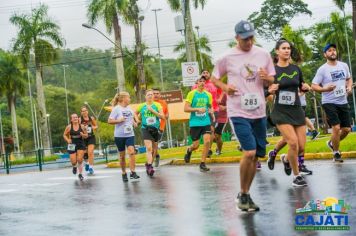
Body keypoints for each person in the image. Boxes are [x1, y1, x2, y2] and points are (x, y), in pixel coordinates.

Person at [211, 20, 275, 211]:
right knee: (249, 152)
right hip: (238, 110)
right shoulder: (226, 57)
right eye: (245, 38)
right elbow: (214, 78)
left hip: (259, 111)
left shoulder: (263, 54)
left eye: (251, 38)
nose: (249, 42)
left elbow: (272, 79)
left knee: (256, 156)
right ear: (236, 37)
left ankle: (245, 194)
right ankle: (242, 193)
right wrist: (225, 87)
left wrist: (267, 79)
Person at [268, 38, 310, 187]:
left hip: (296, 110)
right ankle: (296, 176)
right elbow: (263, 90)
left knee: (301, 147)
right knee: (293, 143)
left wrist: (305, 87)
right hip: (281, 111)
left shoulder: (295, 69)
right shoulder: (272, 71)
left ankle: (285, 159)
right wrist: (269, 90)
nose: (287, 50)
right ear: (277, 51)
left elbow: (301, 86)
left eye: (288, 48)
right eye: (284, 48)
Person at [311, 43, 352, 162]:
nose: (332, 52)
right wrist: (325, 89)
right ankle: (336, 152)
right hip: (329, 101)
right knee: (336, 127)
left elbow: (348, 79)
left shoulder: (344, 65)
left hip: (342, 101)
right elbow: (314, 86)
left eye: (334, 50)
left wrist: (349, 88)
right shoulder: (322, 69)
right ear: (325, 54)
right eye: (329, 51)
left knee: (346, 130)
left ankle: (331, 143)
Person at [184, 76, 214, 172]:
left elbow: (210, 107)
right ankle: (189, 150)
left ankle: (202, 163)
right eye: (200, 81)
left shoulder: (208, 95)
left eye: (203, 81)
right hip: (195, 123)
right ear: (196, 83)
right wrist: (197, 109)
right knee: (196, 145)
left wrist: (211, 113)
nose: (202, 82)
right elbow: (186, 109)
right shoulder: (191, 94)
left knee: (207, 142)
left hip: (205, 121)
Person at [108, 92, 140, 182]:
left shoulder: (129, 109)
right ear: (123, 99)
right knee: (122, 156)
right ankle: (123, 173)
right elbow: (109, 121)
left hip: (130, 134)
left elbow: (131, 118)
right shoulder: (116, 109)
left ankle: (133, 172)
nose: (130, 99)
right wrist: (119, 120)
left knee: (132, 152)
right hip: (119, 135)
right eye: (128, 97)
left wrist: (134, 123)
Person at [136, 89, 165, 177]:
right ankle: (150, 167)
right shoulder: (141, 106)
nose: (150, 96)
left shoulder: (157, 105)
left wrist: (152, 111)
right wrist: (137, 120)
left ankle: (148, 164)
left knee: (154, 149)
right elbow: (134, 113)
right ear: (145, 96)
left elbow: (163, 116)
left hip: (155, 128)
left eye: (151, 94)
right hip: (145, 128)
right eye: (148, 94)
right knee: (149, 148)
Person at [192, 70, 219, 157]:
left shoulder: (213, 84)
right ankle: (204, 148)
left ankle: (209, 149)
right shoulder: (195, 87)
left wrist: (219, 101)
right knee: (198, 140)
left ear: (209, 74)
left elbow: (220, 92)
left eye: (207, 73)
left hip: (213, 110)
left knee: (211, 130)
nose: (205, 74)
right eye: (203, 73)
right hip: (199, 114)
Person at [63, 113, 88, 181]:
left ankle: (80, 174)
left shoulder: (82, 126)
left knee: (80, 160)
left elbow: (86, 135)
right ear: (71, 119)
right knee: (73, 161)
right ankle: (74, 166)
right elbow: (64, 135)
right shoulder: (69, 127)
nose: (75, 119)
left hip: (80, 143)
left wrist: (83, 135)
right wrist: (68, 140)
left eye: (76, 117)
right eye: (74, 117)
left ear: (78, 118)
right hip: (72, 143)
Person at [152, 88, 169, 167]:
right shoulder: (149, 103)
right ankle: (156, 156)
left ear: (160, 95)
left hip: (160, 127)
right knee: (153, 145)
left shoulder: (163, 103)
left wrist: (165, 116)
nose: (156, 95)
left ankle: (155, 157)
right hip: (150, 126)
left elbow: (167, 114)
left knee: (155, 144)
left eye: (157, 93)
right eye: (154, 93)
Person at [80, 106, 97, 175]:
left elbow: (96, 126)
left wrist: (92, 127)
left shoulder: (91, 118)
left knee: (90, 152)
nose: (85, 112)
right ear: (81, 113)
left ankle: (91, 167)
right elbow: (77, 127)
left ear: (87, 111)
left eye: (85, 110)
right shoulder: (79, 119)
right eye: (83, 111)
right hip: (83, 138)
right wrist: (83, 128)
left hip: (91, 137)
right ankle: (87, 163)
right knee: (85, 154)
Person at [215, 91, 228, 155]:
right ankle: (208, 151)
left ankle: (219, 150)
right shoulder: (210, 92)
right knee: (211, 135)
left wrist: (224, 107)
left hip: (222, 118)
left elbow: (232, 104)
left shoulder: (224, 94)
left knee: (217, 136)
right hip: (212, 117)